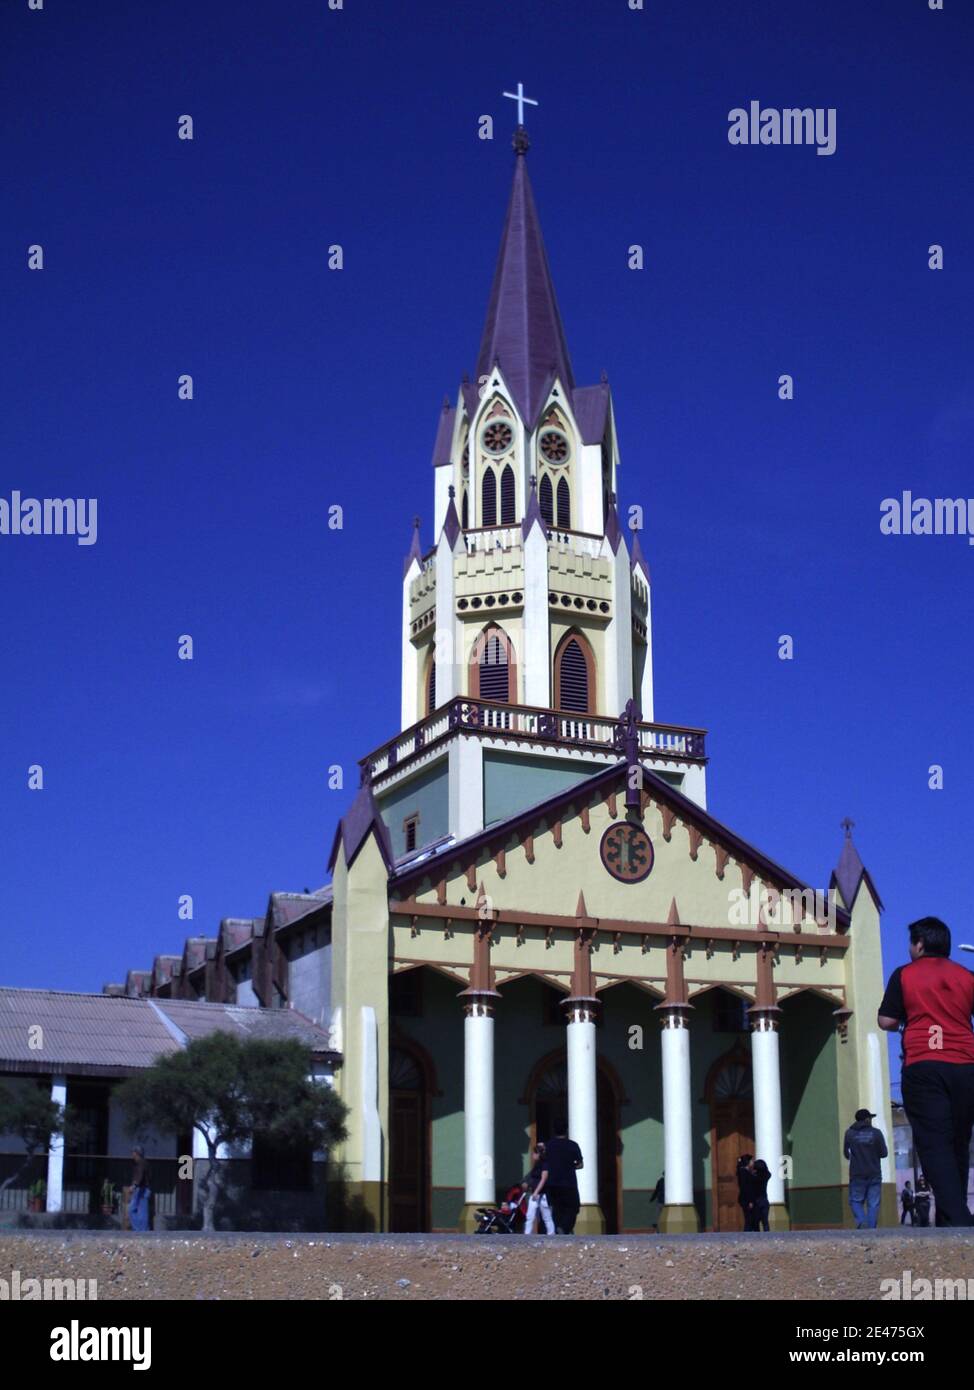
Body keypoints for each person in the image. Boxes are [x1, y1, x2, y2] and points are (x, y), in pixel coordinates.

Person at [879, 915, 974, 1227]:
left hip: (924, 1065)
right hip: (965, 1066)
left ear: (919, 944)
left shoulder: (904, 975)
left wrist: (913, 1018)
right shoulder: (966, 975)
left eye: (911, 943)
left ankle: (960, 1219)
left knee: (934, 1143)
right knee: (959, 1140)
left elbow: (886, 1021)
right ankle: (950, 1220)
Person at [843, 1108, 888, 1228]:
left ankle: (862, 1222)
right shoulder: (876, 1133)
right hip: (874, 1173)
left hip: (857, 1174)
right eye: (870, 1118)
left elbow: (846, 1154)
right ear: (867, 1119)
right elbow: (884, 1153)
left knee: (855, 1201)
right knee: (873, 1203)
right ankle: (871, 1229)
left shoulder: (849, 1133)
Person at [540, 1117, 583, 1234]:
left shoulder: (548, 1146)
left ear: (554, 1130)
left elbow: (543, 1160)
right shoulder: (573, 1145)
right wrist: (570, 1166)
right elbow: (580, 1164)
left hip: (552, 1183)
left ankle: (559, 1230)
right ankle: (563, 1228)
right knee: (572, 1208)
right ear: (566, 1130)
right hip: (569, 1183)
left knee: (556, 1209)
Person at [523, 1143, 556, 1235]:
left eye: (534, 1153)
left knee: (547, 1217)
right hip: (534, 1194)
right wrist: (528, 1185)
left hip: (542, 1195)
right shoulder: (536, 1165)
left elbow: (543, 1179)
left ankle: (551, 1235)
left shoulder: (545, 1164)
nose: (532, 1155)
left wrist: (536, 1192)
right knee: (530, 1216)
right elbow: (534, 1178)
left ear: (538, 1154)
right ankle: (527, 1235)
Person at [745, 1158, 771, 1231]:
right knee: (765, 1222)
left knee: (755, 1223)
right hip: (764, 1201)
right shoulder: (766, 1176)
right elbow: (768, 1173)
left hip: (756, 1202)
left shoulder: (753, 1178)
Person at [128, 1146, 150, 1232]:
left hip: (142, 1189)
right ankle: (139, 1230)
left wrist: (134, 1186)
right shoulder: (142, 1163)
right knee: (137, 1210)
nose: (132, 1154)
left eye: (133, 1152)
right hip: (142, 1189)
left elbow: (140, 1177)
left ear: (137, 1153)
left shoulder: (141, 1163)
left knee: (141, 1212)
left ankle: (141, 1230)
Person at [736, 1153, 754, 1228]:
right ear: (748, 1162)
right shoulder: (744, 1173)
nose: (753, 1162)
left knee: (749, 1219)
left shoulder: (744, 1172)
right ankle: (747, 1235)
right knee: (748, 1220)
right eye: (752, 1161)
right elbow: (746, 1188)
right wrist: (749, 1201)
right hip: (746, 1200)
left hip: (745, 1199)